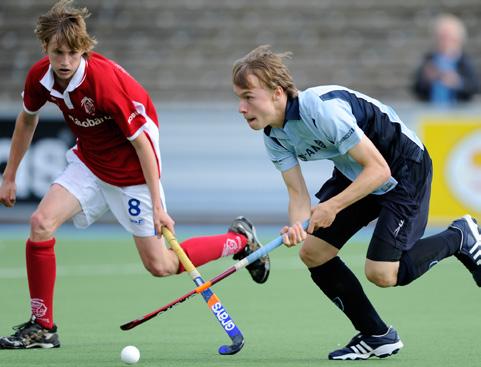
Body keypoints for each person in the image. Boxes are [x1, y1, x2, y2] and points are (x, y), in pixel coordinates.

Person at [0, 1, 270, 349]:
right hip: (90, 162)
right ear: (46, 49)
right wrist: (10, 175)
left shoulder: (104, 85)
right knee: (40, 223)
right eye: (57, 53)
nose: (65, 61)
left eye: (72, 52)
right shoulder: (40, 76)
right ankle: (43, 327)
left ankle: (239, 239)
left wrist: (158, 206)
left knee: (161, 265)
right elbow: (27, 118)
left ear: (84, 49)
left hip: (132, 173)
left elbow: (144, 146)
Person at [232, 45, 481, 360]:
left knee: (383, 274)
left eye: (248, 96)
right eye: (239, 98)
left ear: (277, 93)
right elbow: (298, 195)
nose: (241, 107)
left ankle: (460, 236)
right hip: (356, 172)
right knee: (313, 251)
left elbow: (380, 170)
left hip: (404, 168)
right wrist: (296, 226)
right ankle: (377, 335)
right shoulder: (273, 135)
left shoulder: (319, 110)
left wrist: (332, 207)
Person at [412, 13, 480, 105]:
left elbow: (474, 87)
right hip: (431, 112)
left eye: (449, 37)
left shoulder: (464, 62)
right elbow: (417, 88)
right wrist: (427, 79)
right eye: (441, 37)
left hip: (460, 114)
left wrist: (457, 82)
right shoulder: (429, 60)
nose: (445, 42)